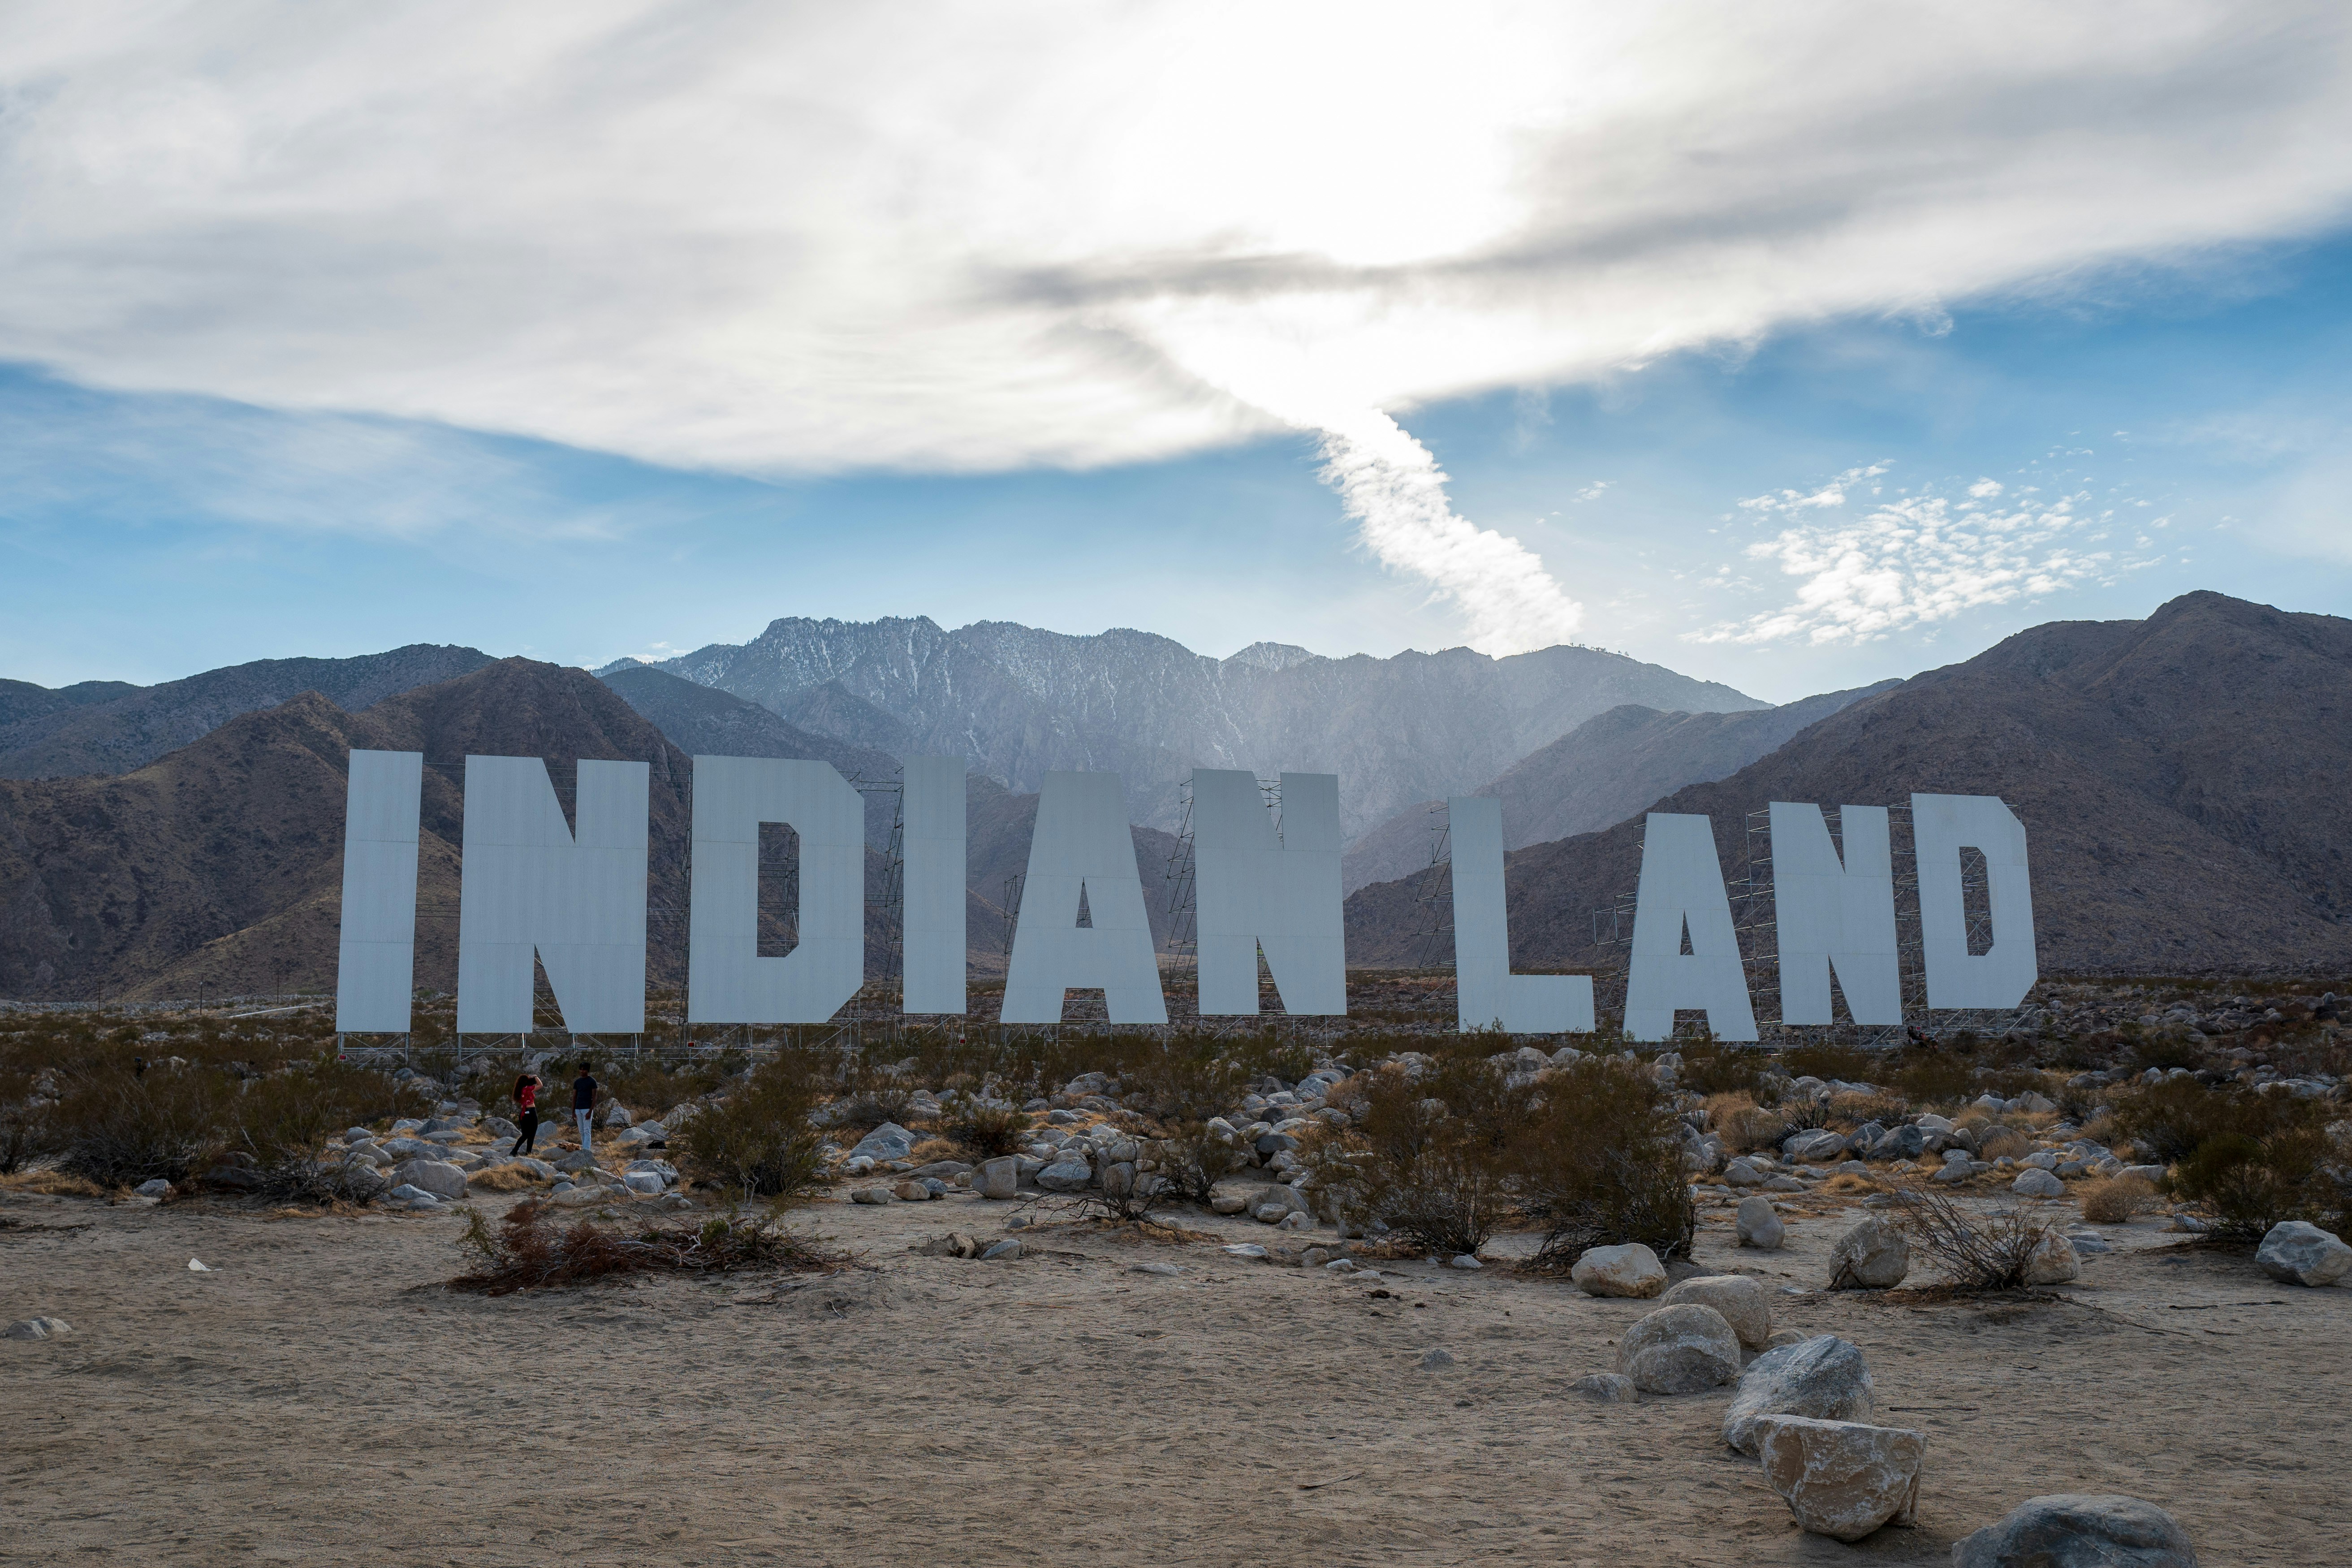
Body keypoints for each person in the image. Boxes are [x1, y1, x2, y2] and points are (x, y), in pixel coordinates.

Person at [512, 1069, 543, 1154]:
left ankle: (514, 1151)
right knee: (532, 1133)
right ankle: (528, 1152)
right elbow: (540, 1085)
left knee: (525, 1134)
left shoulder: (519, 1090)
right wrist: (535, 1077)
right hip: (531, 1112)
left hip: (523, 1114)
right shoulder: (528, 1089)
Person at [572, 1061, 599, 1157]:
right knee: (581, 1131)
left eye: (584, 1069)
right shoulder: (577, 1082)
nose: (582, 1071)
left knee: (587, 1130)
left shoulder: (592, 1081)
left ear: (588, 1070)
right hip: (578, 1109)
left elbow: (594, 1098)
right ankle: (584, 1147)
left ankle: (587, 1150)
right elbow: (575, 1097)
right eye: (581, 1069)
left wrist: (590, 1111)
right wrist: (573, 1112)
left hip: (587, 1108)